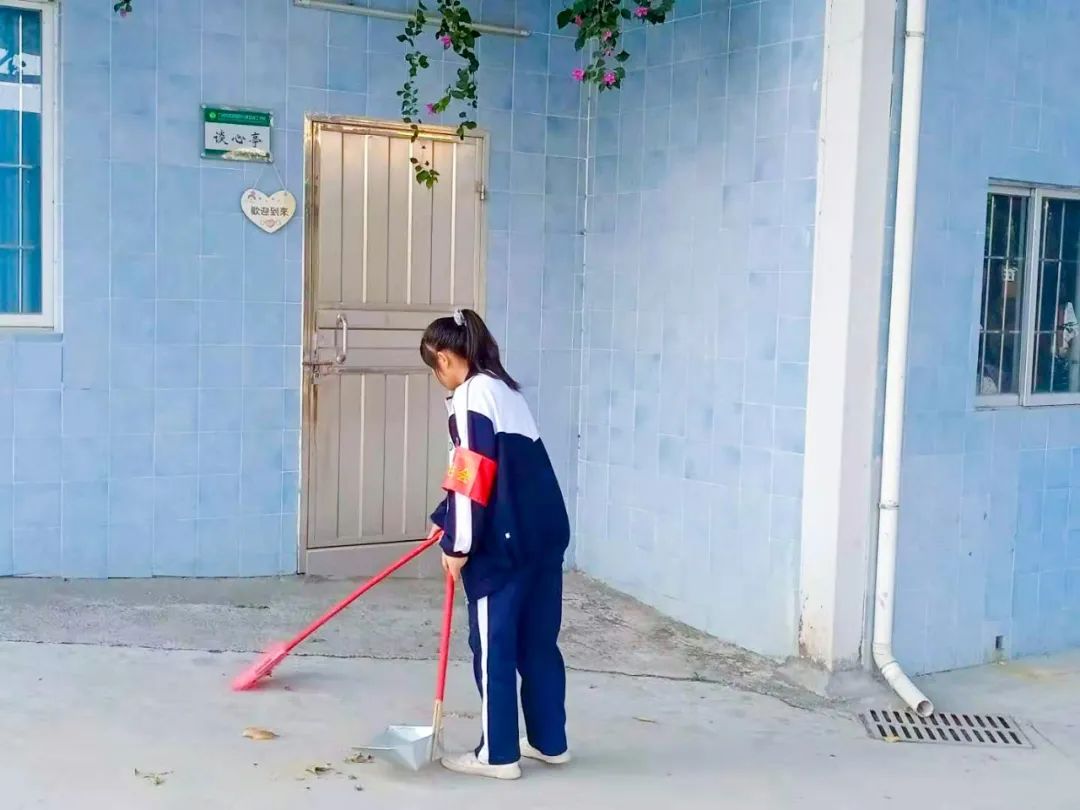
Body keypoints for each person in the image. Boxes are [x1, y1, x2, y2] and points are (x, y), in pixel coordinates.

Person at [420, 308, 571, 781]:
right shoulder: (506, 391)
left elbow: (471, 472)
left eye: (433, 368)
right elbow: (504, 472)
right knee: (538, 643)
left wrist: (458, 544)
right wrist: (445, 519)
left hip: (502, 548)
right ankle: (549, 742)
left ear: (444, 358)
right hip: (542, 536)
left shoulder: (470, 395)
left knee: (494, 648)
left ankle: (498, 755)